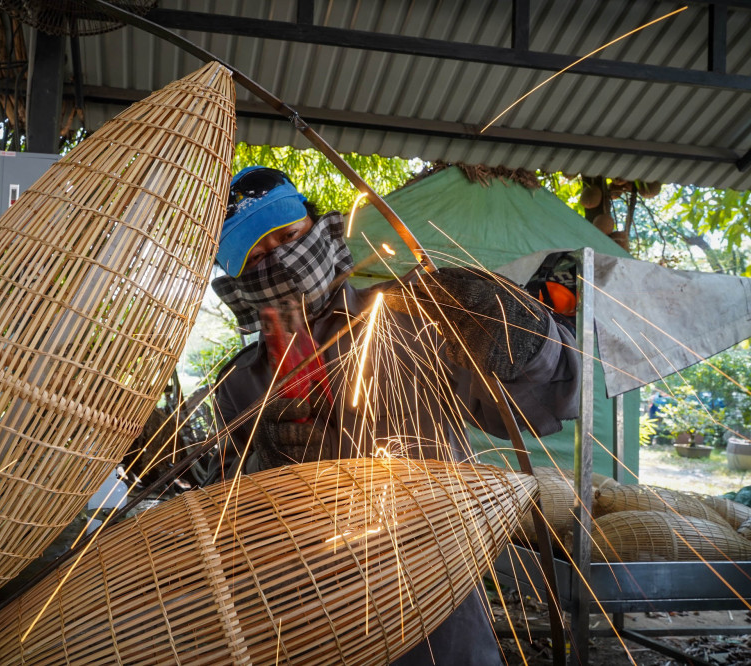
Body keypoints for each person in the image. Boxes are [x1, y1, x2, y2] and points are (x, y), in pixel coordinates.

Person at [211, 166, 582, 665]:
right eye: (254, 256)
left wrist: (527, 337)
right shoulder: (237, 385)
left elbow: (541, 403)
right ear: (233, 278)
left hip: (433, 597)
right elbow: (227, 510)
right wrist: (266, 469)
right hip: (308, 613)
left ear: (318, 227)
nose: (277, 260)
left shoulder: (412, 316)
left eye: (286, 236)